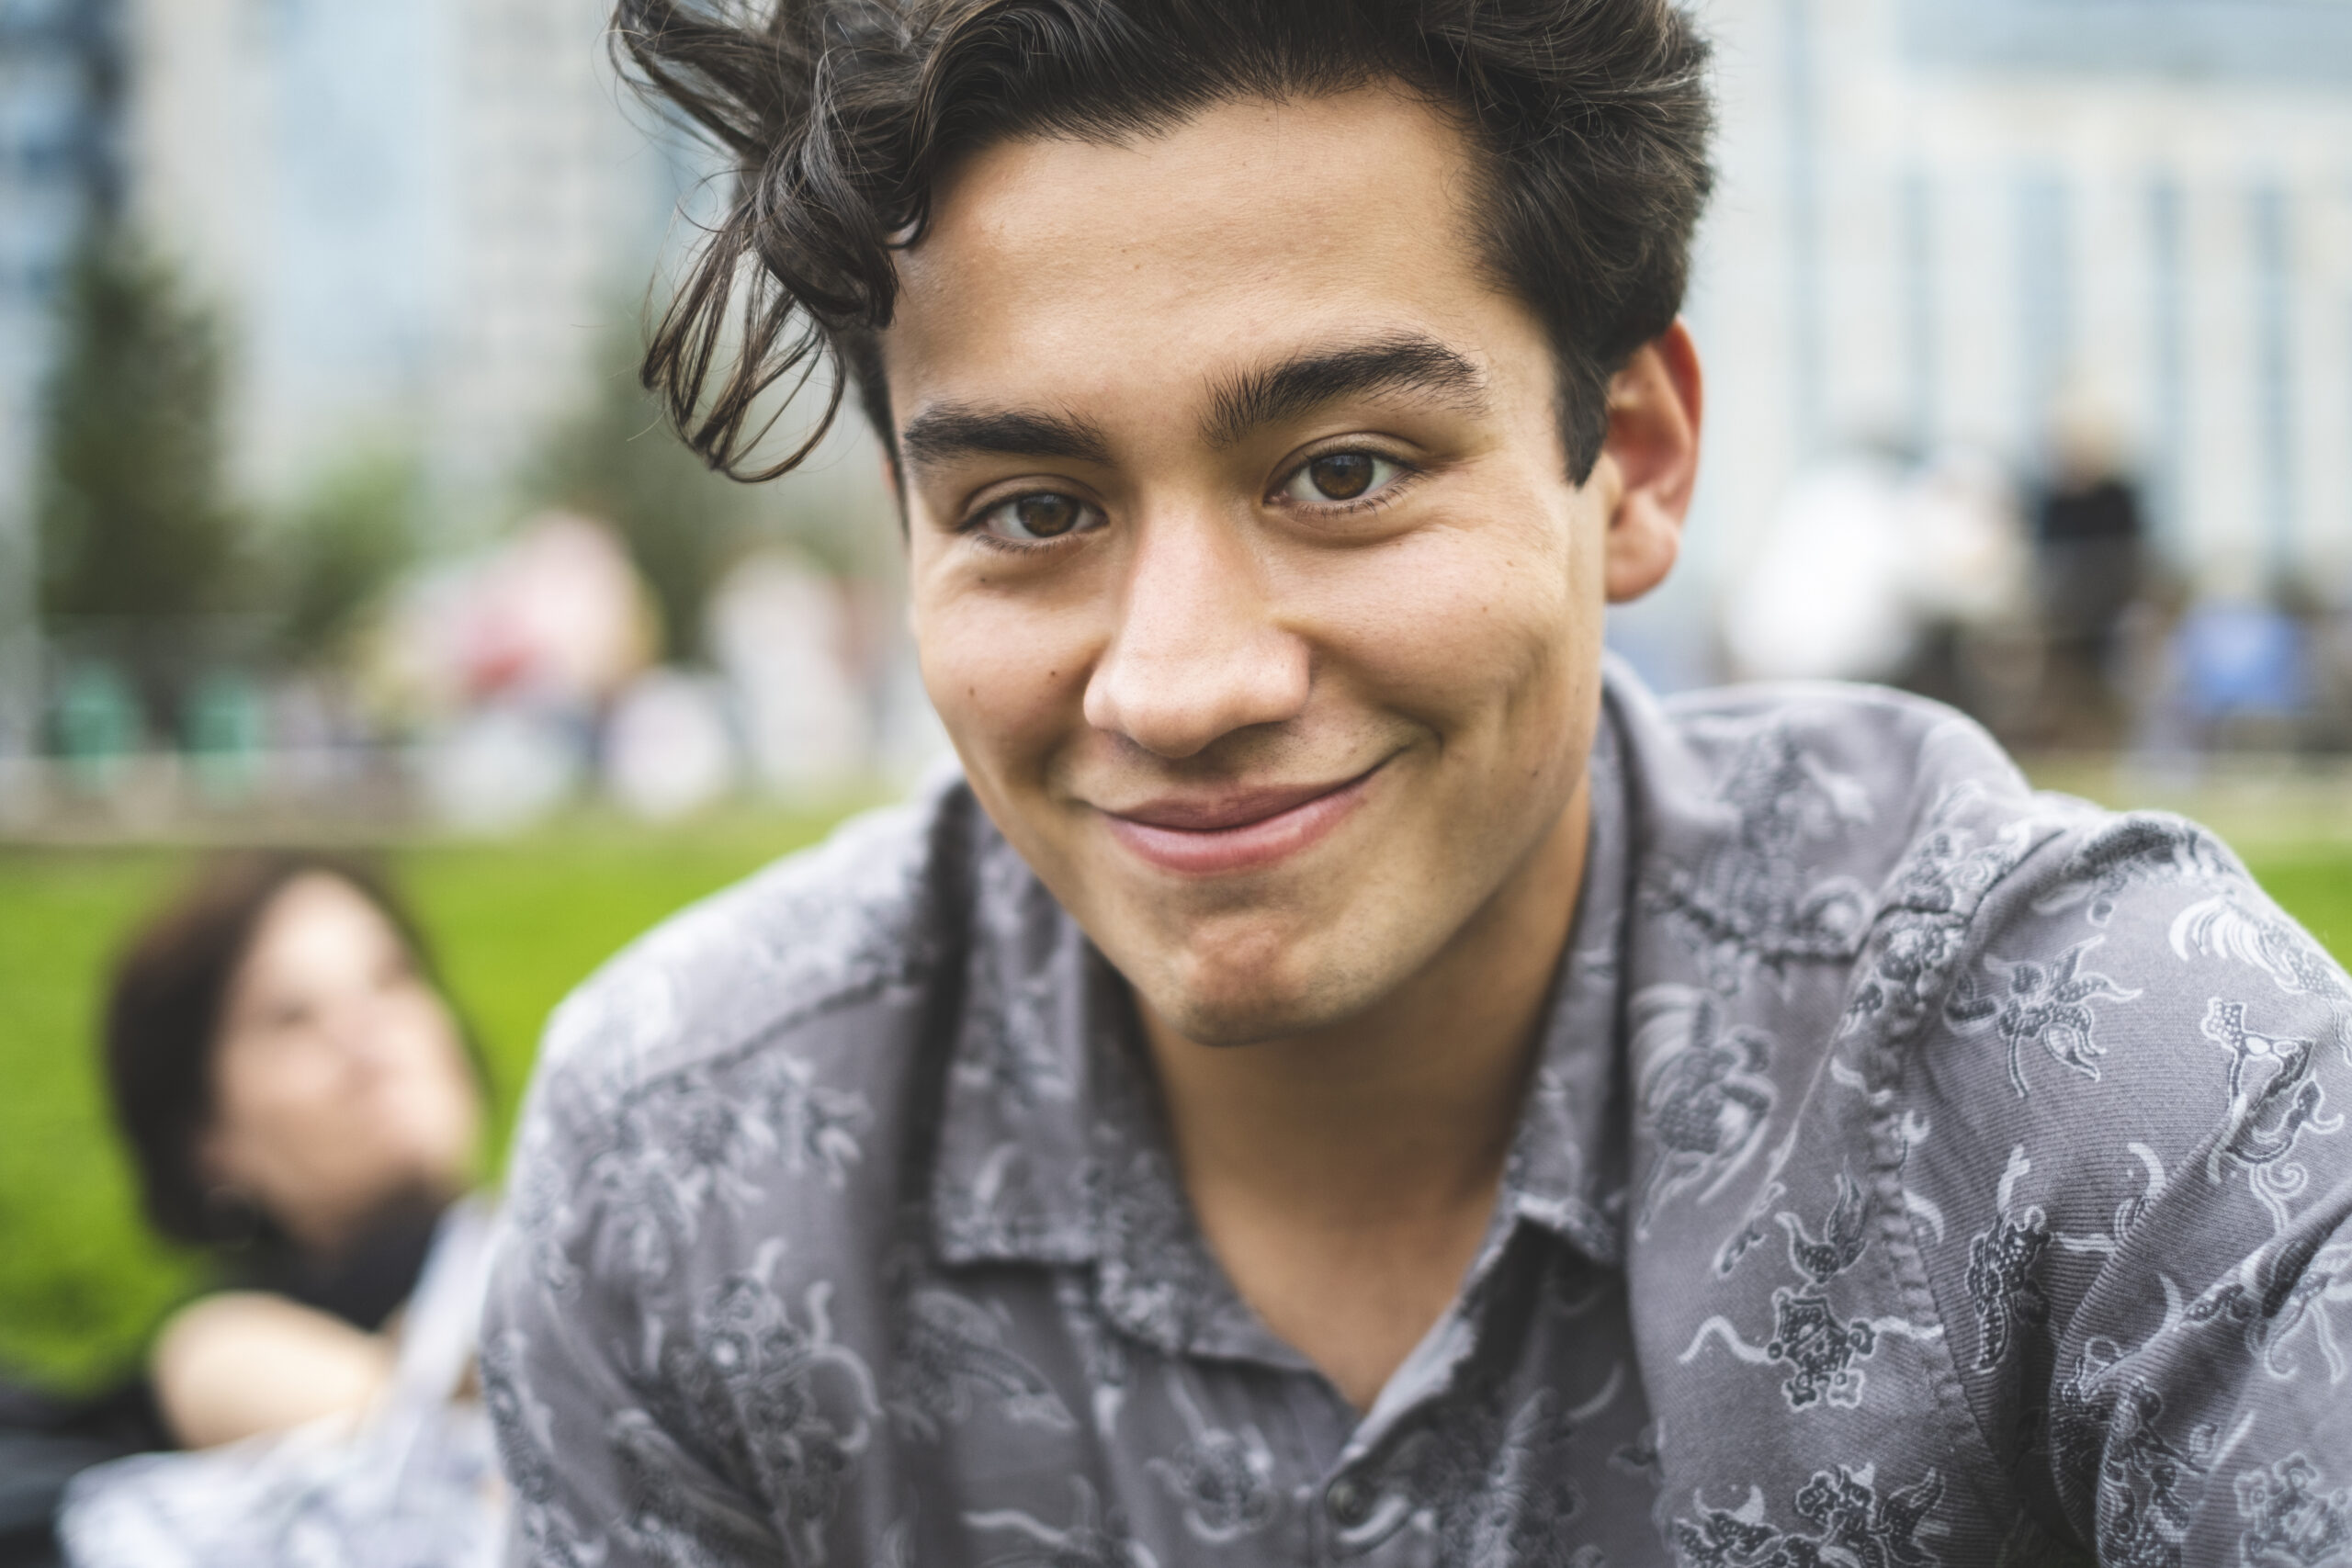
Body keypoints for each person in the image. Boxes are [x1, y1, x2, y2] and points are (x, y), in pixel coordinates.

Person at [482, 2, 2352, 1562]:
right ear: (907, 530)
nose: (1180, 681)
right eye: (1032, 511)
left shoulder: (2100, 1070)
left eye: (1344, 470)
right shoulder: (692, 1168)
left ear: (1623, 460)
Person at [51, 852, 505, 1568]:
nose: (367, 1030)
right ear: (209, 1139)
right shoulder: (222, 1342)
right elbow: (440, 1457)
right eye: (292, 1017)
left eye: (390, 977)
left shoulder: (553, 1220)